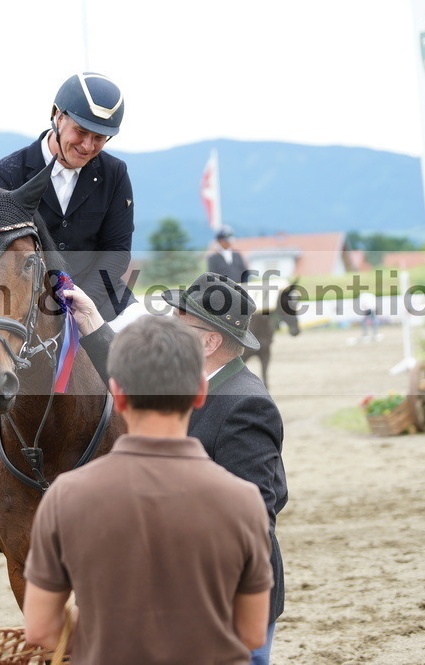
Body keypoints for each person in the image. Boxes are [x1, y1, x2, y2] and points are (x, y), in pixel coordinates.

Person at [0, 72, 139, 551]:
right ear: (57, 117)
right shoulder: (9, 171)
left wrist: (82, 305)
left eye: (100, 138)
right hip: (25, 314)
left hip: (101, 301)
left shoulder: (114, 174)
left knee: (157, 363)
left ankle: (174, 485)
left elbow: (116, 254)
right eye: (81, 131)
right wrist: (45, 307)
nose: (89, 145)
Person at [64, 272, 288, 664]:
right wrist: (91, 320)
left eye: (178, 320)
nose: (167, 326)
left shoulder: (245, 405)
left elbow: (253, 522)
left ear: (209, 342)